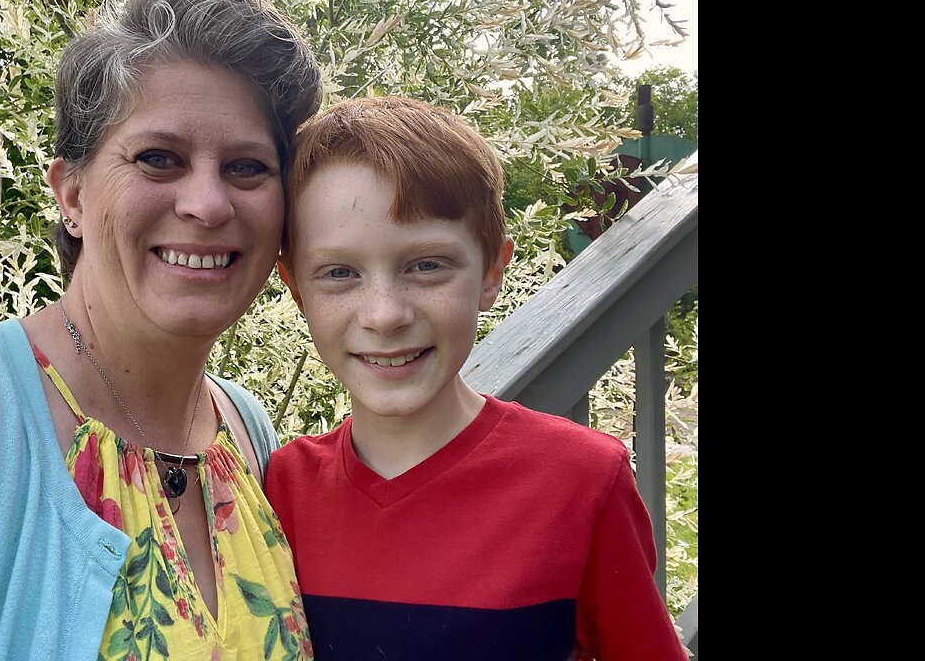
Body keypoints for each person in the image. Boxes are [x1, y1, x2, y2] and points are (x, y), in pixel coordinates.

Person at [0, 0, 322, 661]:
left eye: (247, 167)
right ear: (74, 195)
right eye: (158, 159)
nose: (208, 204)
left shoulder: (248, 433)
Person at [265, 96, 688, 661]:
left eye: (427, 265)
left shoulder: (582, 479)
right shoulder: (280, 491)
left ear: (491, 271)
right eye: (340, 273)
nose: (385, 314)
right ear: (297, 288)